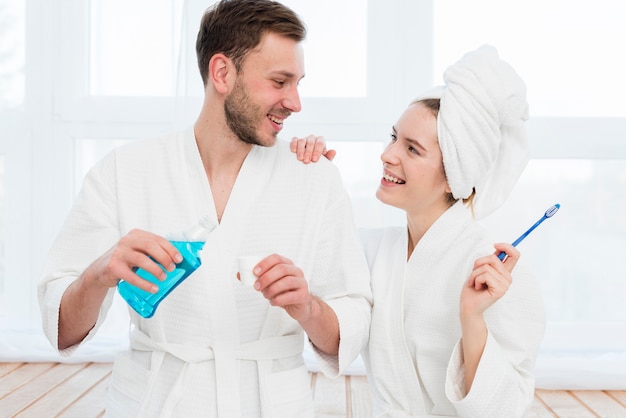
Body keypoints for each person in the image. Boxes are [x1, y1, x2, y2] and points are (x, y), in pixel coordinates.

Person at [37, 1, 372, 416]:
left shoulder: (312, 177)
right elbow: (62, 330)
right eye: (280, 81)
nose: (296, 102)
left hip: (270, 403)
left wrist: (308, 308)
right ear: (222, 73)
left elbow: (351, 322)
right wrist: (98, 274)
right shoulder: (124, 172)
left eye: (298, 83)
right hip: (156, 401)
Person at [292, 45, 546, 417]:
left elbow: (506, 407)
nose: (388, 154)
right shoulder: (374, 252)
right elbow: (324, 302)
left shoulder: (498, 275)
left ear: (453, 178)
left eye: (412, 149)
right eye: (393, 137)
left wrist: (472, 318)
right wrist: (307, 182)